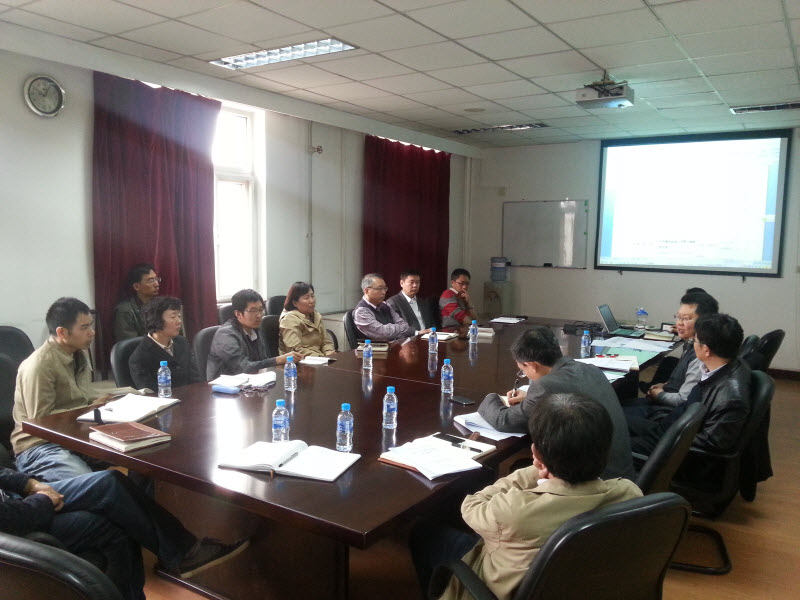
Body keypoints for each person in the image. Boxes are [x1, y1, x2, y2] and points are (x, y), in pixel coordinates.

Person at [410, 393, 642, 600]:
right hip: (584, 583)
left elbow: (471, 505)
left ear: (536, 455)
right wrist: (547, 463)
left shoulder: (513, 511)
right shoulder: (630, 494)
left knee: (424, 532)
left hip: (494, 585)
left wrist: (539, 467)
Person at [0, 466, 248, 600]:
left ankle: (184, 552)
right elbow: (12, 520)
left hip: (15, 500)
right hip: (17, 526)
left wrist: (28, 483)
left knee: (109, 482)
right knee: (116, 521)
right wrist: (43, 501)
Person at [478, 326, 634, 480]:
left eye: (522, 370)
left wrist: (493, 397)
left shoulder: (544, 387)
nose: (524, 374)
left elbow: (504, 420)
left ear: (532, 365)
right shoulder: (590, 369)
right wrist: (530, 397)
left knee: (520, 469)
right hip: (622, 474)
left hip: (593, 481)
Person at [627, 313, 751, 461]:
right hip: (670, 426)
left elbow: (712, 443)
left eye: (695, 341)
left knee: (611, 443)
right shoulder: (724, 366)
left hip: (667, 446)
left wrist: (668, 438)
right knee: (614, 419)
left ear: (706, 350)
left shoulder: (731, 398)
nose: (693, 344)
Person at [12, 298, 108, 481]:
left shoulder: (78, 355)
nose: (92, 332)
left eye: (91, 325)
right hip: (39, 446)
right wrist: (90, 409)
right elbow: (40, 422)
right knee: (94, 484)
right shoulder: (40, 365)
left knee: (140, 457)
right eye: (84, 327)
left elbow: (81, 398)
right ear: (62, 332)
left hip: (75, 436)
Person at [636, 291, 719, 405]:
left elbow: (684, 400)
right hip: (668, 396)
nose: (679, 323)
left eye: (686, 318)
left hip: (669, 410)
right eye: (678, 317)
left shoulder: (701, 355)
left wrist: (659, 395)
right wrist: (665, 385)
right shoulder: (692, 343)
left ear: (704, 322)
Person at [206, 289, 300, 380]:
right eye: (253, 311)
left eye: (261, 310)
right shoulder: (225, 335)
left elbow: (263, 360)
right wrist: (278, 360)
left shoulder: (254, 329)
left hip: (251, 383)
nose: (259, 315)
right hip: (223, 387)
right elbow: (243, 368)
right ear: (238, 314)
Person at [129, 296, 203, 391]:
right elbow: (150, 394)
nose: (179, 321)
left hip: (191, 397)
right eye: (173, 317)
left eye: (179, 316)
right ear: (156, 320)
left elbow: (196, 380)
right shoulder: (139, 358)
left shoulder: (182, 342)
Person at [352, 273, 415, 342]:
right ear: (367, 291)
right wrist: (399, 329)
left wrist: (391, 330)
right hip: (374, 348)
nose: (384, 292)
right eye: (380, 288)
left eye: (384, 288)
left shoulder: (386, 305)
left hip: (395, 345)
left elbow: (404, 325)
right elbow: (382, 334)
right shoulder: (361, 311)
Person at [278, 282, 335, 357]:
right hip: (299, 361)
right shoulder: (288, 320)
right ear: (295, 303)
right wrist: (321, 357)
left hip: (320, 358)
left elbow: (326, 342)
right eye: (306, 298)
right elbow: (295, 350)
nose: (312, 301)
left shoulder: (316, 316)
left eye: (312, 296)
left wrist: (329, 352)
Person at [112, 263, 161, 341]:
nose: (156, 284)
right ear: (136, 286)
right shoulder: (125, 311)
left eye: (156, 279)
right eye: (150, 280)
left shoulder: (160, 305)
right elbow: (130, 343)